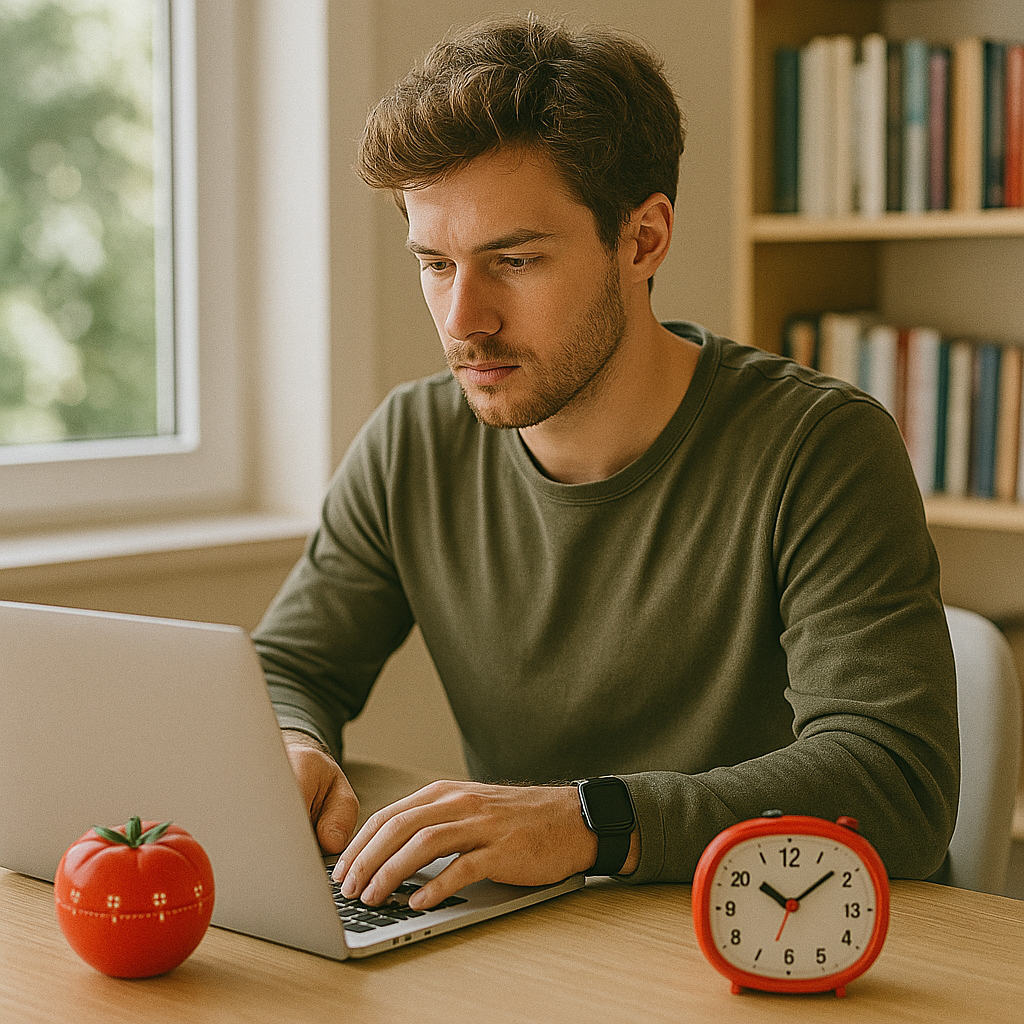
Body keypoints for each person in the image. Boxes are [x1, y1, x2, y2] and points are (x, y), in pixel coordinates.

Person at [253, 13, 959, 912]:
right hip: (539, 940)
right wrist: (290, 743)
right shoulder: (412, 441)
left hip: (782, 937)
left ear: (643, 239)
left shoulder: (820, 448)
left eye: (513, 260)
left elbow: (895, 783)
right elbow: (291, 666)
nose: (463, 318)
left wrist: (591, 822)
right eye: (436, 263)